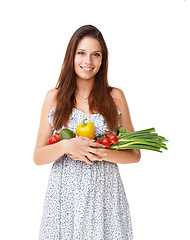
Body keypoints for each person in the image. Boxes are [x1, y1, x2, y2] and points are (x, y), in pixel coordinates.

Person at [33, 24, 141, 240]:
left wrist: (98, 152)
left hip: (105, 195)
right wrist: (66, 146)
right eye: (81, 53)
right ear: (71, 56)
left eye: (96, 55)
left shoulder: (115, 97)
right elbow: (38, 156)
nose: (88, 61)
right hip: (65, 198)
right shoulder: (54, 97)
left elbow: (135, 155)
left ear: (103, 60)